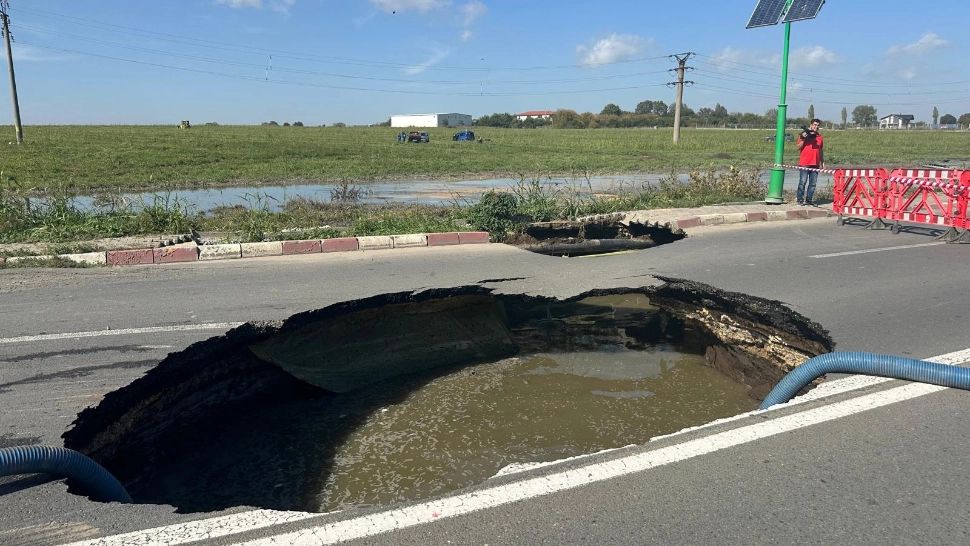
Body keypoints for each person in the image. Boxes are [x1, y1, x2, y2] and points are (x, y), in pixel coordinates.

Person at [796, 118, 824, 206]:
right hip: (805, 163)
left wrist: (822, 162)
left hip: (815, 164)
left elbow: (821, 150)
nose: (816, 127)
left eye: (818, 125)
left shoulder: (819, 137)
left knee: (813, 184)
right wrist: (804, 138)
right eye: (815, 125)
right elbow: (798, 147)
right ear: (811, 125)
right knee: (802, 182)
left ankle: (809, 200)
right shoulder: (803, 134)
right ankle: (800, 200)